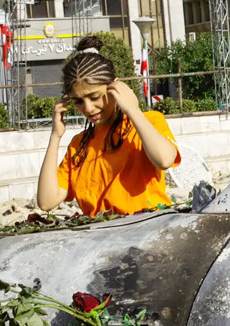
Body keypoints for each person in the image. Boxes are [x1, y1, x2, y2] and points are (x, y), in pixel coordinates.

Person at [37, 36, 182, 217]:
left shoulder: (149, 122)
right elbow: (46, 201)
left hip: (148, 229)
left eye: (95, 97)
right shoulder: (79, 145)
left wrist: (133, 110)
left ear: (115, 86)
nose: (88, 108)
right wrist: (55, 137)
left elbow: (165, 160)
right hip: (102, 238)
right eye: (78, 101)